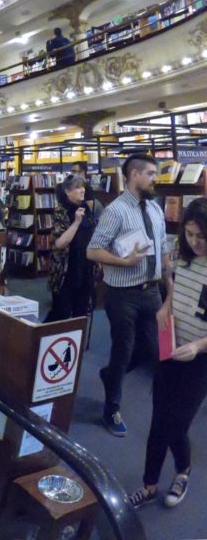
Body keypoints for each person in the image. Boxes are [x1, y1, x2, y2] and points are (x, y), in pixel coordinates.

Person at [128, 199, 207, 510]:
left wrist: (199, 346)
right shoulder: (182, 253)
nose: (195, 242)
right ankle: (149, 485)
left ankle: (183, 470)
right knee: (159, 418)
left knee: (177, 424)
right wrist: (165, 306)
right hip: (171, 345)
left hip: (199, 358)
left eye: (202, 235)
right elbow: (176, 287)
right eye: (190, 234)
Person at [87, 153, 171, 437]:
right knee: (123, 350)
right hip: (122, 294)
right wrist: (123, 262)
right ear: (134, 175)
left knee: (155, 351)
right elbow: (92, 250)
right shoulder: (115, 211)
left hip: (152, 292)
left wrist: (169, 288)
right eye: (150, 173)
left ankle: (110, 375)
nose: (154, 179)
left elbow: (163, 252)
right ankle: (111, 409)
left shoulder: (156, 210)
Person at [46, 174, 98, 322]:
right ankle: (45, 340)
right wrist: (76, 223)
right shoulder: (60, 211)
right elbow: (60, 243)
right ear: (67, 191)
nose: (82, 190)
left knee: (81, 314)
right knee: (61, 313)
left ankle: (77, 344)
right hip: (66, 271)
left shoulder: (86, 208)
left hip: (86, 268)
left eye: (83, 187)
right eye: (77, 188)